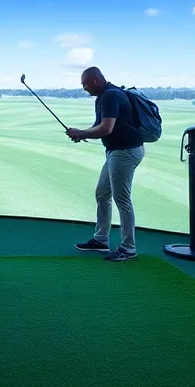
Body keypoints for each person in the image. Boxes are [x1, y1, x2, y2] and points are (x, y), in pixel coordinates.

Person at [66, 67, 145, 261]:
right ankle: (101, 240)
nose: (83, 88)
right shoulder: (106, 96)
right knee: (102, 193)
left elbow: (106, 128)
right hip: (116, 152)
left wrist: (81, 133)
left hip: (124, 152)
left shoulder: (110, 96)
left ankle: (128, 247)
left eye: (84, 84)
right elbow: (100, 127)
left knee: (122, 199)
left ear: (94, 81)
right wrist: (82, 133)